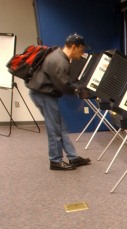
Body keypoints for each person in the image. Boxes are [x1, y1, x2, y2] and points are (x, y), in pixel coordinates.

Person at [26, 33, 91, 171]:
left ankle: (73, 157)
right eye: (82, 50)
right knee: (54, 128)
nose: (82, 54)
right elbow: (64, 85)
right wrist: (81, 92)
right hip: (43, 94)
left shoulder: (58, 54)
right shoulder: (60, 61)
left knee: (60, 126)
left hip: (43, 93)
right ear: (74, 47)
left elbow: (63, 83)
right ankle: (55, 161)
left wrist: (76, 89)